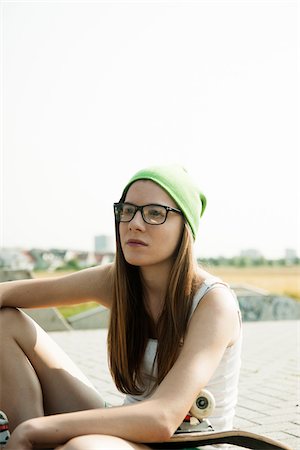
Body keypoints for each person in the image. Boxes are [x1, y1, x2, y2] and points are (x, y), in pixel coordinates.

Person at [0, 164, 242, 450]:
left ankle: (31, 434)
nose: (134, 223)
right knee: (5, 324)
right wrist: (36, 429)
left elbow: (164, 417)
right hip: (128, 432)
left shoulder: (213, 303)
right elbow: (10, 293)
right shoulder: (117, 282)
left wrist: (39, 428)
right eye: (127, 210)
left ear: (185, 227)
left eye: (155, 213)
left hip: (188, 442)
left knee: (82, 448)